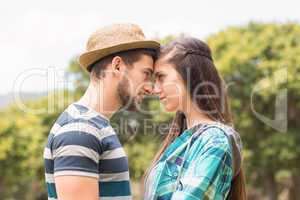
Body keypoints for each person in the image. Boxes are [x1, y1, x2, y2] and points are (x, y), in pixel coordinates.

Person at [43, 23, 160, 200]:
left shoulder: (95, 126)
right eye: (146, 74)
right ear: (118, 66)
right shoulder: (79, 130)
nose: (150, 88)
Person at [144, 37, 247, 200]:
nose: (155, 89)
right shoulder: (185, 139)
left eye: (161, 77)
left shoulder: (214, 140)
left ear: (189, 75)